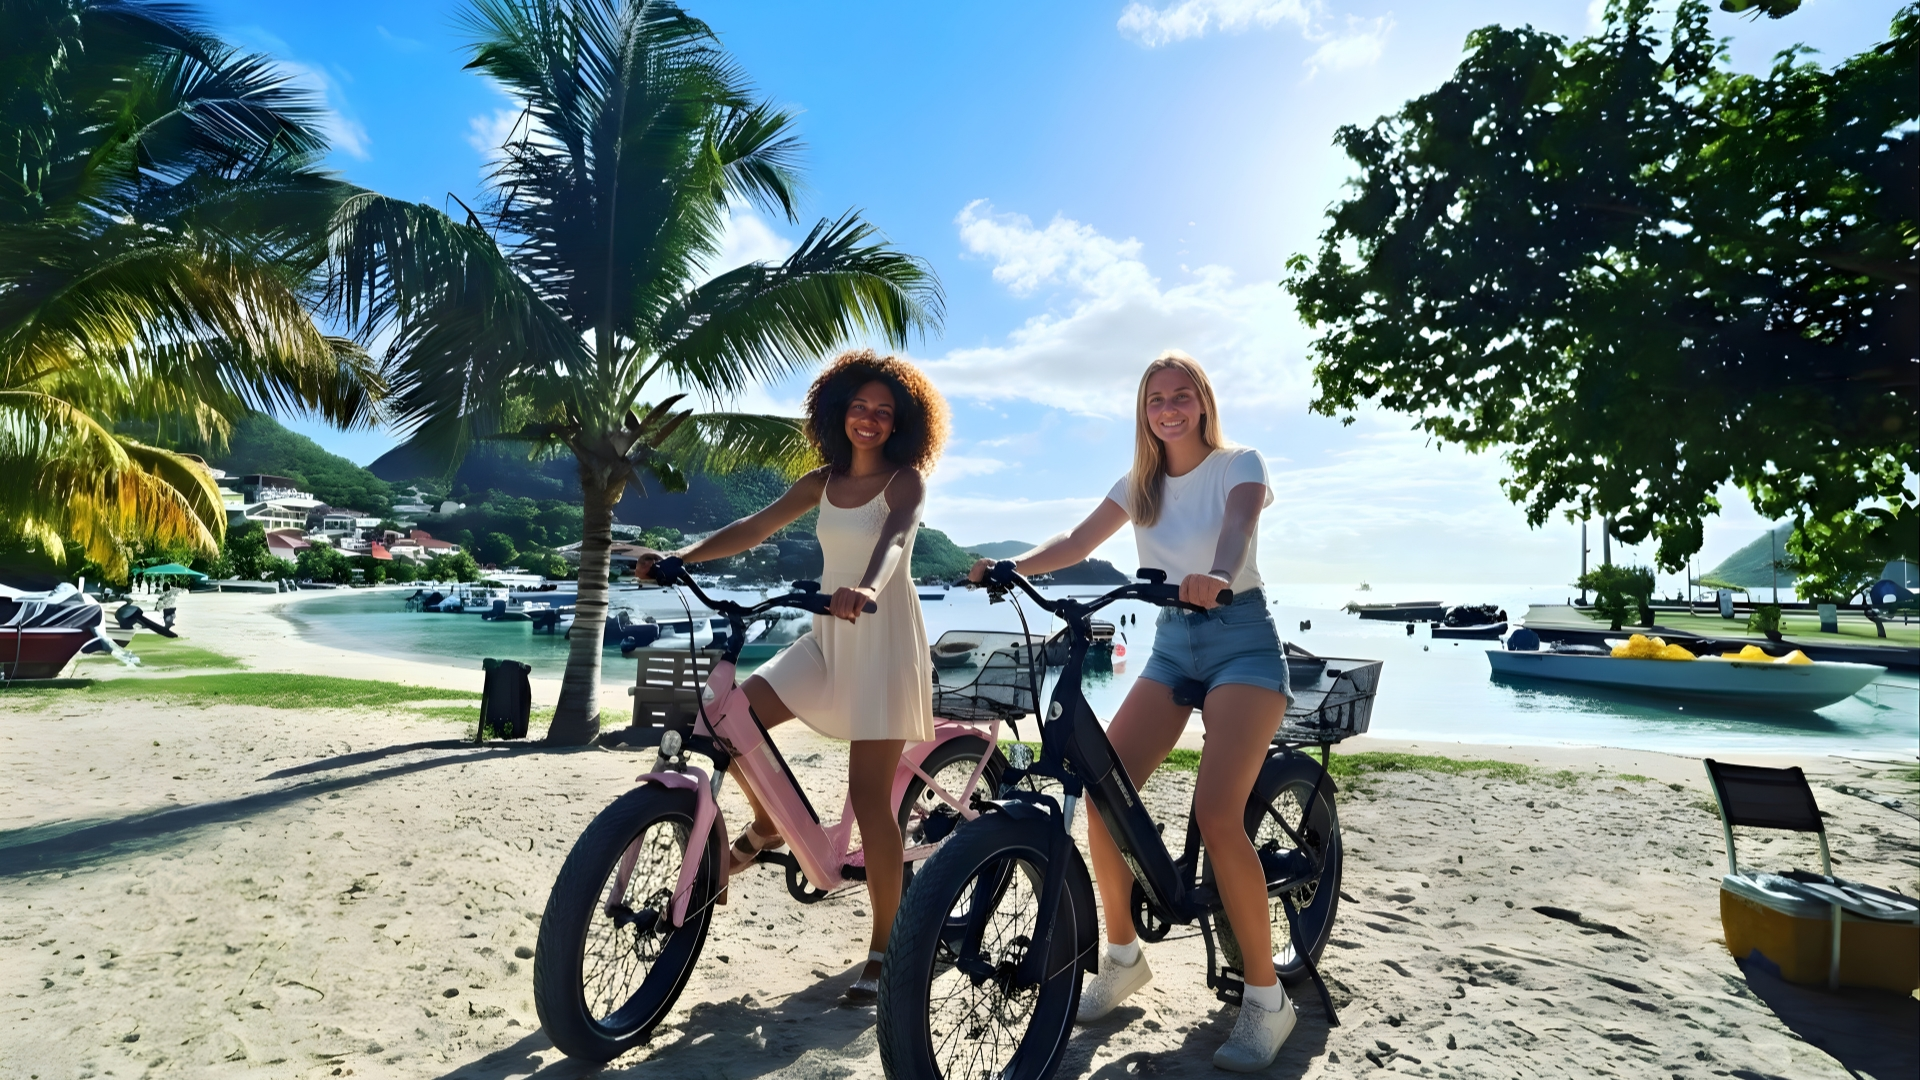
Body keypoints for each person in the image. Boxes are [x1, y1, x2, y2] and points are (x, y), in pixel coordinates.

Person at [967, 349, 1294, 1072]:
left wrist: (1215, 572)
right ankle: (1121, 956)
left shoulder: (1241, 463)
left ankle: (1268, 1001)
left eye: (1182, 395)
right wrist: (1015, 565)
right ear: (1143, 412)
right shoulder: (1138, 484)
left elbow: (1236, 529)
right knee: (1103, 798)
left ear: (1203, 402)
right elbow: (1078, 542)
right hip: (1172, 647)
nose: (1169, 408)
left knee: (1217, 812)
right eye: (1155, 399)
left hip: (1241, 642)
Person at [639, 348, 944, 1004]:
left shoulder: (905, 482)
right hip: (827, 632)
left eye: (884, 412)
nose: (869, 419)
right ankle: (768, 824)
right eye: (860, 406)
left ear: (900, 424)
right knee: (728, 720)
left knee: (871, 802)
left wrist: (863, 587)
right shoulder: (822, 480)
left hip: (881, 635)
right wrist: (680, 557)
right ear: (839, 411)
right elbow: (753, 526)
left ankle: (887, 949)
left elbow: (893, 541)